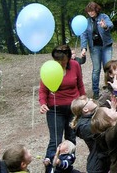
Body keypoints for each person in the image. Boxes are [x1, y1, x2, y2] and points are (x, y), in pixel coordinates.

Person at [39, 45, 85, 173]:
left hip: (73, 108)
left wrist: (83, 99)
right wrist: (42, 103)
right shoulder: (50, 68)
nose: (60, 63)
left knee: (71, 139)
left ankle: (66, 166)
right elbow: (43, 90)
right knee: (55, 140)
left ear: (68, 58)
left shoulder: (75, 65)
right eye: (57, 61)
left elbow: (80, 84)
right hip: (55, 109)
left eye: (63, 60)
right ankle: (50, 168)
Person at [80, 1, 114, 99]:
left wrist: (105, 26)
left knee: (108, 68)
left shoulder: (104, 17)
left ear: (96, 10)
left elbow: (110, 25)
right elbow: (84, 35)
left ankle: (110, 88)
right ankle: (95, 91)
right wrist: (83, 48)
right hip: (94, 48)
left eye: (92, 11)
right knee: (96, 69)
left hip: (106, 46)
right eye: (89, 11)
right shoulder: (86, 22)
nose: (90, 13)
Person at [70, 96, 109, 173]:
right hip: (98, 166)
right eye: (88, 100)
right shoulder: (84, 126)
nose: (91, 99)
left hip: (104, 161)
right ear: (85, 109)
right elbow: (105, 133)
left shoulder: (94, 116)